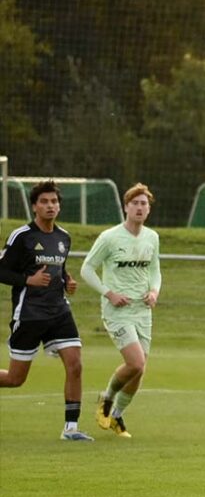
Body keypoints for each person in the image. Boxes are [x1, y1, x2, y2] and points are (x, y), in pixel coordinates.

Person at [0, 180, 91, 441]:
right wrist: (27, 280)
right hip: (29, 314)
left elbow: (59, 269)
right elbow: (2, 270)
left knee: (75, 364)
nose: (50, 206)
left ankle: (71, 429)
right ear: (34, 207)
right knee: (16, 379)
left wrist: (67, 281)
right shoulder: (22, 237)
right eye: (44, 202)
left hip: (59, 312)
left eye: (54, 201)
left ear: (59, 206)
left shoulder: (64, 238)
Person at [79, 183, 162, 439]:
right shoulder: (110, 237)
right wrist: (109, 294)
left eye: (143, 204)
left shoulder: (152, 237)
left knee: (139, 369)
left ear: (148, 209)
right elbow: (87, 269)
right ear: (126, 207)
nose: (139, 207)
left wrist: (154, 291)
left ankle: (116, 415)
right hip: (117, 311)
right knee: (135, 362)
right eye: (134, 203)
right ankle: (106, 398)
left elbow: (154, 270)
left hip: (142, 310)